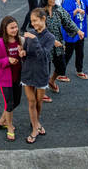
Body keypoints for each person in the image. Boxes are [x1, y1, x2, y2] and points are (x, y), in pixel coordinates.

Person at [38, 0, 82, 99]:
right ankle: (41, 92)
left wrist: (78, 30)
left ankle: (51, 81)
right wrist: (52, 41)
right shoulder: (39, 12)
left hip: (58, 44)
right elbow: (39, 30)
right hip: (44, 44)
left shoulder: (58, 9)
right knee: (44, 70)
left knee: (61, 67)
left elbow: (67, 20)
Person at [21, 8, 55, 144]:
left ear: (43, 19)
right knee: (31, 102)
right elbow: (26, 50)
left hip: (41, 73)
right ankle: (35, 127)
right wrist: (22, 52)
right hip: (28, 71)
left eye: (35, 20)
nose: (33, 24)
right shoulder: (31, 34)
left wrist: (34, 39)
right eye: (32, 21)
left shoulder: (50, 37)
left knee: (39, 102)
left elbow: (43, 55)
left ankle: (36, 121)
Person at [0, 16, 24, 142]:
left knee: (16, 102)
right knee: (10, 103)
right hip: (6, 79)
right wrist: (8, 60)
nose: (15, 30)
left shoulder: (20, 40)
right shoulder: (0, 43)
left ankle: (2, 121)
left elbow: (23, 56)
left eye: (16, 27)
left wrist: (22, 54)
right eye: (11, 28)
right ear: (5, 29)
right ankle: (9, 127)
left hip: (18, 77)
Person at [62, 0, 88, 80]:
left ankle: (79, 70)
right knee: (68, 53)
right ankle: (61, 72)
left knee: (80, 52)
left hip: (81, 29)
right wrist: (75, 11)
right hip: (72, 31)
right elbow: (65, 17)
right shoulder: (68, 1)